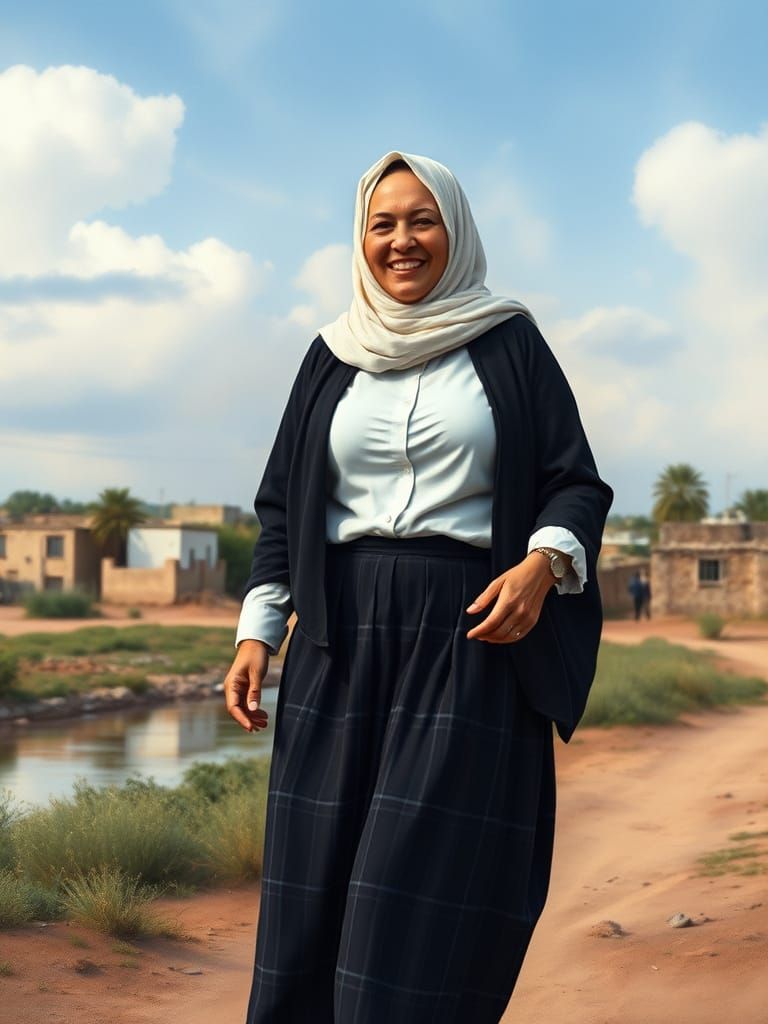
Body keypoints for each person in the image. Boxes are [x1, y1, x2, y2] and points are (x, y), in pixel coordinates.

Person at [224, 151, 613, 1024]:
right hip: (336, 644)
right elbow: (283, 508)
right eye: (382, 223)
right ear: (361, 237)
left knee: (410, 893)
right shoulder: (330, 356)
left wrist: (543, 566)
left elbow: (574, 482)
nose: (402, 242)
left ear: (457, 232)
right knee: (311, 892)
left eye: (421, 221)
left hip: (466, 637)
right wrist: (259, 631)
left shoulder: (508, 341)